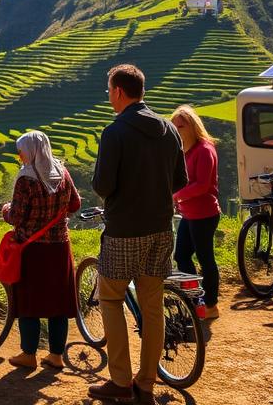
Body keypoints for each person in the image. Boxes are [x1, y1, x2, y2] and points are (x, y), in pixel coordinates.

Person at [88, 65, 186, 405]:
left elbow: (103, 185)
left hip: (124, 231)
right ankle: (146, 381)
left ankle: (119, 379)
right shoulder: (169, 129)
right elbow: (180, 181)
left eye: (108, 91)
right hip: (161, 228)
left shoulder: (115, 133)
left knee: (111, 299)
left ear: (118, 92)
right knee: (152, 304)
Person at [0, 130, 80, 369]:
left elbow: (16, 217)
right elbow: (75, 204)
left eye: (21, 152)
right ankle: (56, 355)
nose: (20, 156)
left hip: (33, 250)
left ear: (31, 151)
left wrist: (5, 210)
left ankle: (29, 354)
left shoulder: (26, 179)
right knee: (58, 302)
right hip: (59, 248)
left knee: (29, 302)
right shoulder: (62, 172)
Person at [170, 105, 221, 319]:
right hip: (190, 214)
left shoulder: (204, 150)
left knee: (205, 258)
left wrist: (176, 196)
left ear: (192, 126)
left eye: (180, 126)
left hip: (204, 214)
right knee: (181, 255)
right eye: (174, 127)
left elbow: (201, 185)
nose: (177, 131)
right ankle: (195, 299)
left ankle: (210, 304)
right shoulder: (187, 151)